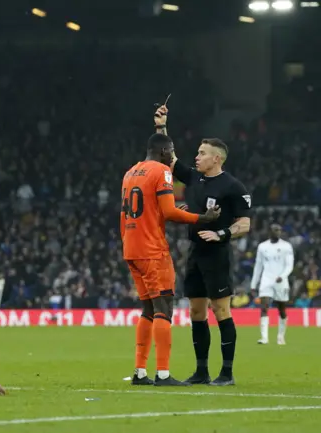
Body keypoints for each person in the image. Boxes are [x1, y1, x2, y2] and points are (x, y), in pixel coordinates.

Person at [156, 106, 252, 386]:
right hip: (195, 252)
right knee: (196, 311)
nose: (196, 157)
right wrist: (161, 126)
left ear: (216, 158)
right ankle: (201, 372)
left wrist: (221, 233)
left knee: (222, 311)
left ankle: (227, 373)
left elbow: (244, 224)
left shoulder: (233, 186)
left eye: (201, 153)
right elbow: (168, 158)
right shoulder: (195, 178)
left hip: (217, 254)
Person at [121, 133, 220, 387]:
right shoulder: (162, 172)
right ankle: (163, 374)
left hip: (131, 247)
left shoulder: (130, 172)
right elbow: (169, 212)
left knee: (147, 310)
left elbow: (143, 212)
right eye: (171, 150)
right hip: (153, 250)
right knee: (164, 308)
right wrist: (203, 218)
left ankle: (140, 372)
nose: (172, 155)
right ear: (164, 150)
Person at [251, 223, 294, 345]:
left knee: (282, 310)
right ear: (269, 232)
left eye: (279, 230)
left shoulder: (286, 246)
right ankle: (264, 338)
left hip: (281, 280)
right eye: (275, 230)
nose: (278, 232)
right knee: (264, 307)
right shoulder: (262, 246)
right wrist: (254, 284)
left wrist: (283, 276)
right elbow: (258, 266)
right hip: (266, 280)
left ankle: (280, 336)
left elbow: (289, 265)